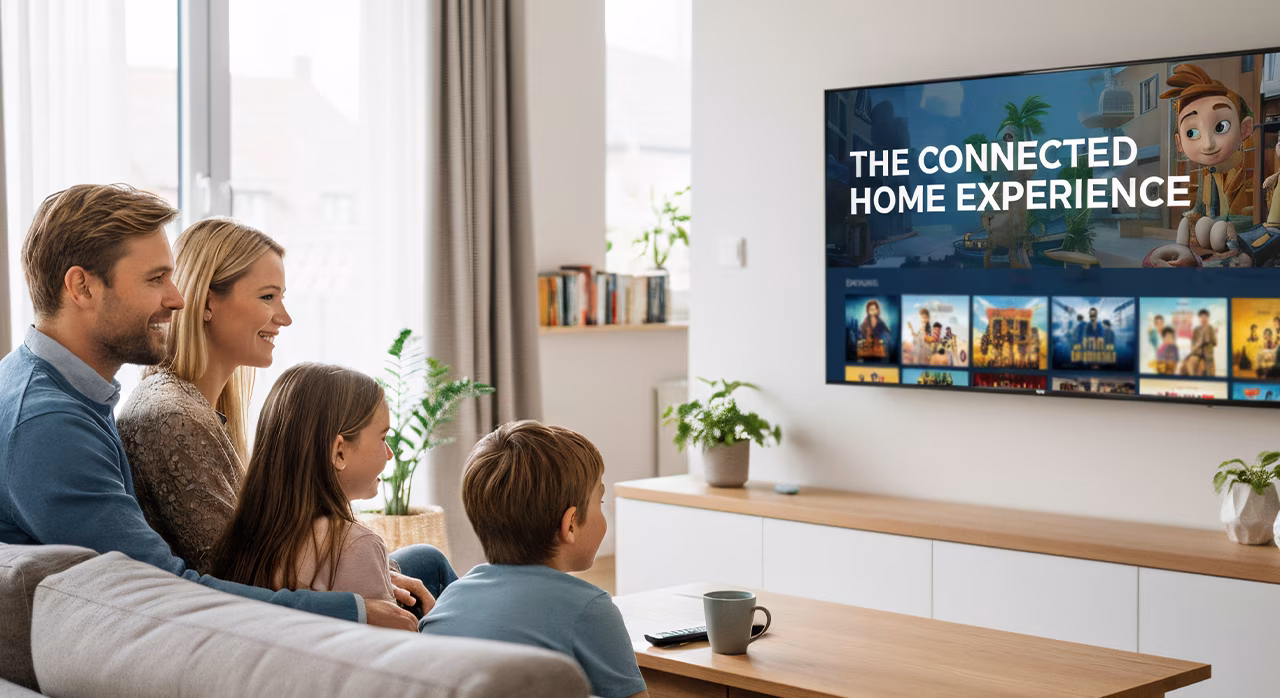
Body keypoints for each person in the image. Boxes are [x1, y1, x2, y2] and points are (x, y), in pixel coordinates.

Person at [0, 184, 418, 630]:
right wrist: (349, 610)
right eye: (155, 278)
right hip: (139, 645)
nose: (178, 298)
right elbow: (158, 588)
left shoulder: (60, 389)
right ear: (81, 286)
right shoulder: (49, 425)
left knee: (416, 566)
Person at [421, 421, 648, 698]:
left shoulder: (449, 599)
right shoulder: (590, 609)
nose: (603, 513)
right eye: (599, 502)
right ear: (571, 525)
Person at [117, 218, 291, 572]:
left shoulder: (190, 406)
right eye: (268, 297)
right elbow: (237, 572)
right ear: (208, 302)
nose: (284, 318)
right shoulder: (173, 416)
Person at [210, 363, 455, 613]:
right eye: (383, 438)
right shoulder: (357, 546)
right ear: (339, 452)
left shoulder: (244, 537)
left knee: (427, 558)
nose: (390, 454)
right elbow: (393, 645)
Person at [1183, 308, 1217, 376]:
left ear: (1208, 318)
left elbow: (1215, 343)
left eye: (1205, 317)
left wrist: (1209, 338)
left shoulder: (1211, 328)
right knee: (1189, 363)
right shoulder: (1196, 330)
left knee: (1209, 370)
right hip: (1197, 353)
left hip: (1208, 354)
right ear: (1199, 318)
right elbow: (1193, 346)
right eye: (1202, 317)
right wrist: (1199, 342)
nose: (1203, 319)